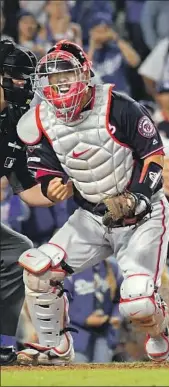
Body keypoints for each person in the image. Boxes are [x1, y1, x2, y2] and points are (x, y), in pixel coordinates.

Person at [15, 40, 169, 365]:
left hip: (142, 215)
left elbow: (154, 159)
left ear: (84, 74)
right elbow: (45, 169)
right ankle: (55, 347)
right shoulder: (39, 121)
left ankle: (159, 330)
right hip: (91, 216)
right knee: (38, 271)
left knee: (138, 301)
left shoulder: (120, 106)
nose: (60, 88)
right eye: (53, 82)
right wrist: (51, 186)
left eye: (66, 78)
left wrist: (139, 198)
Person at [0, 40, 54, 366]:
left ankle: (3, 345)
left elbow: (28, 190)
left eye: (25, 77)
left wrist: (74, 190)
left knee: (15, 250)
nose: (23, 83)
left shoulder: (14, 121)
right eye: (14, 76)